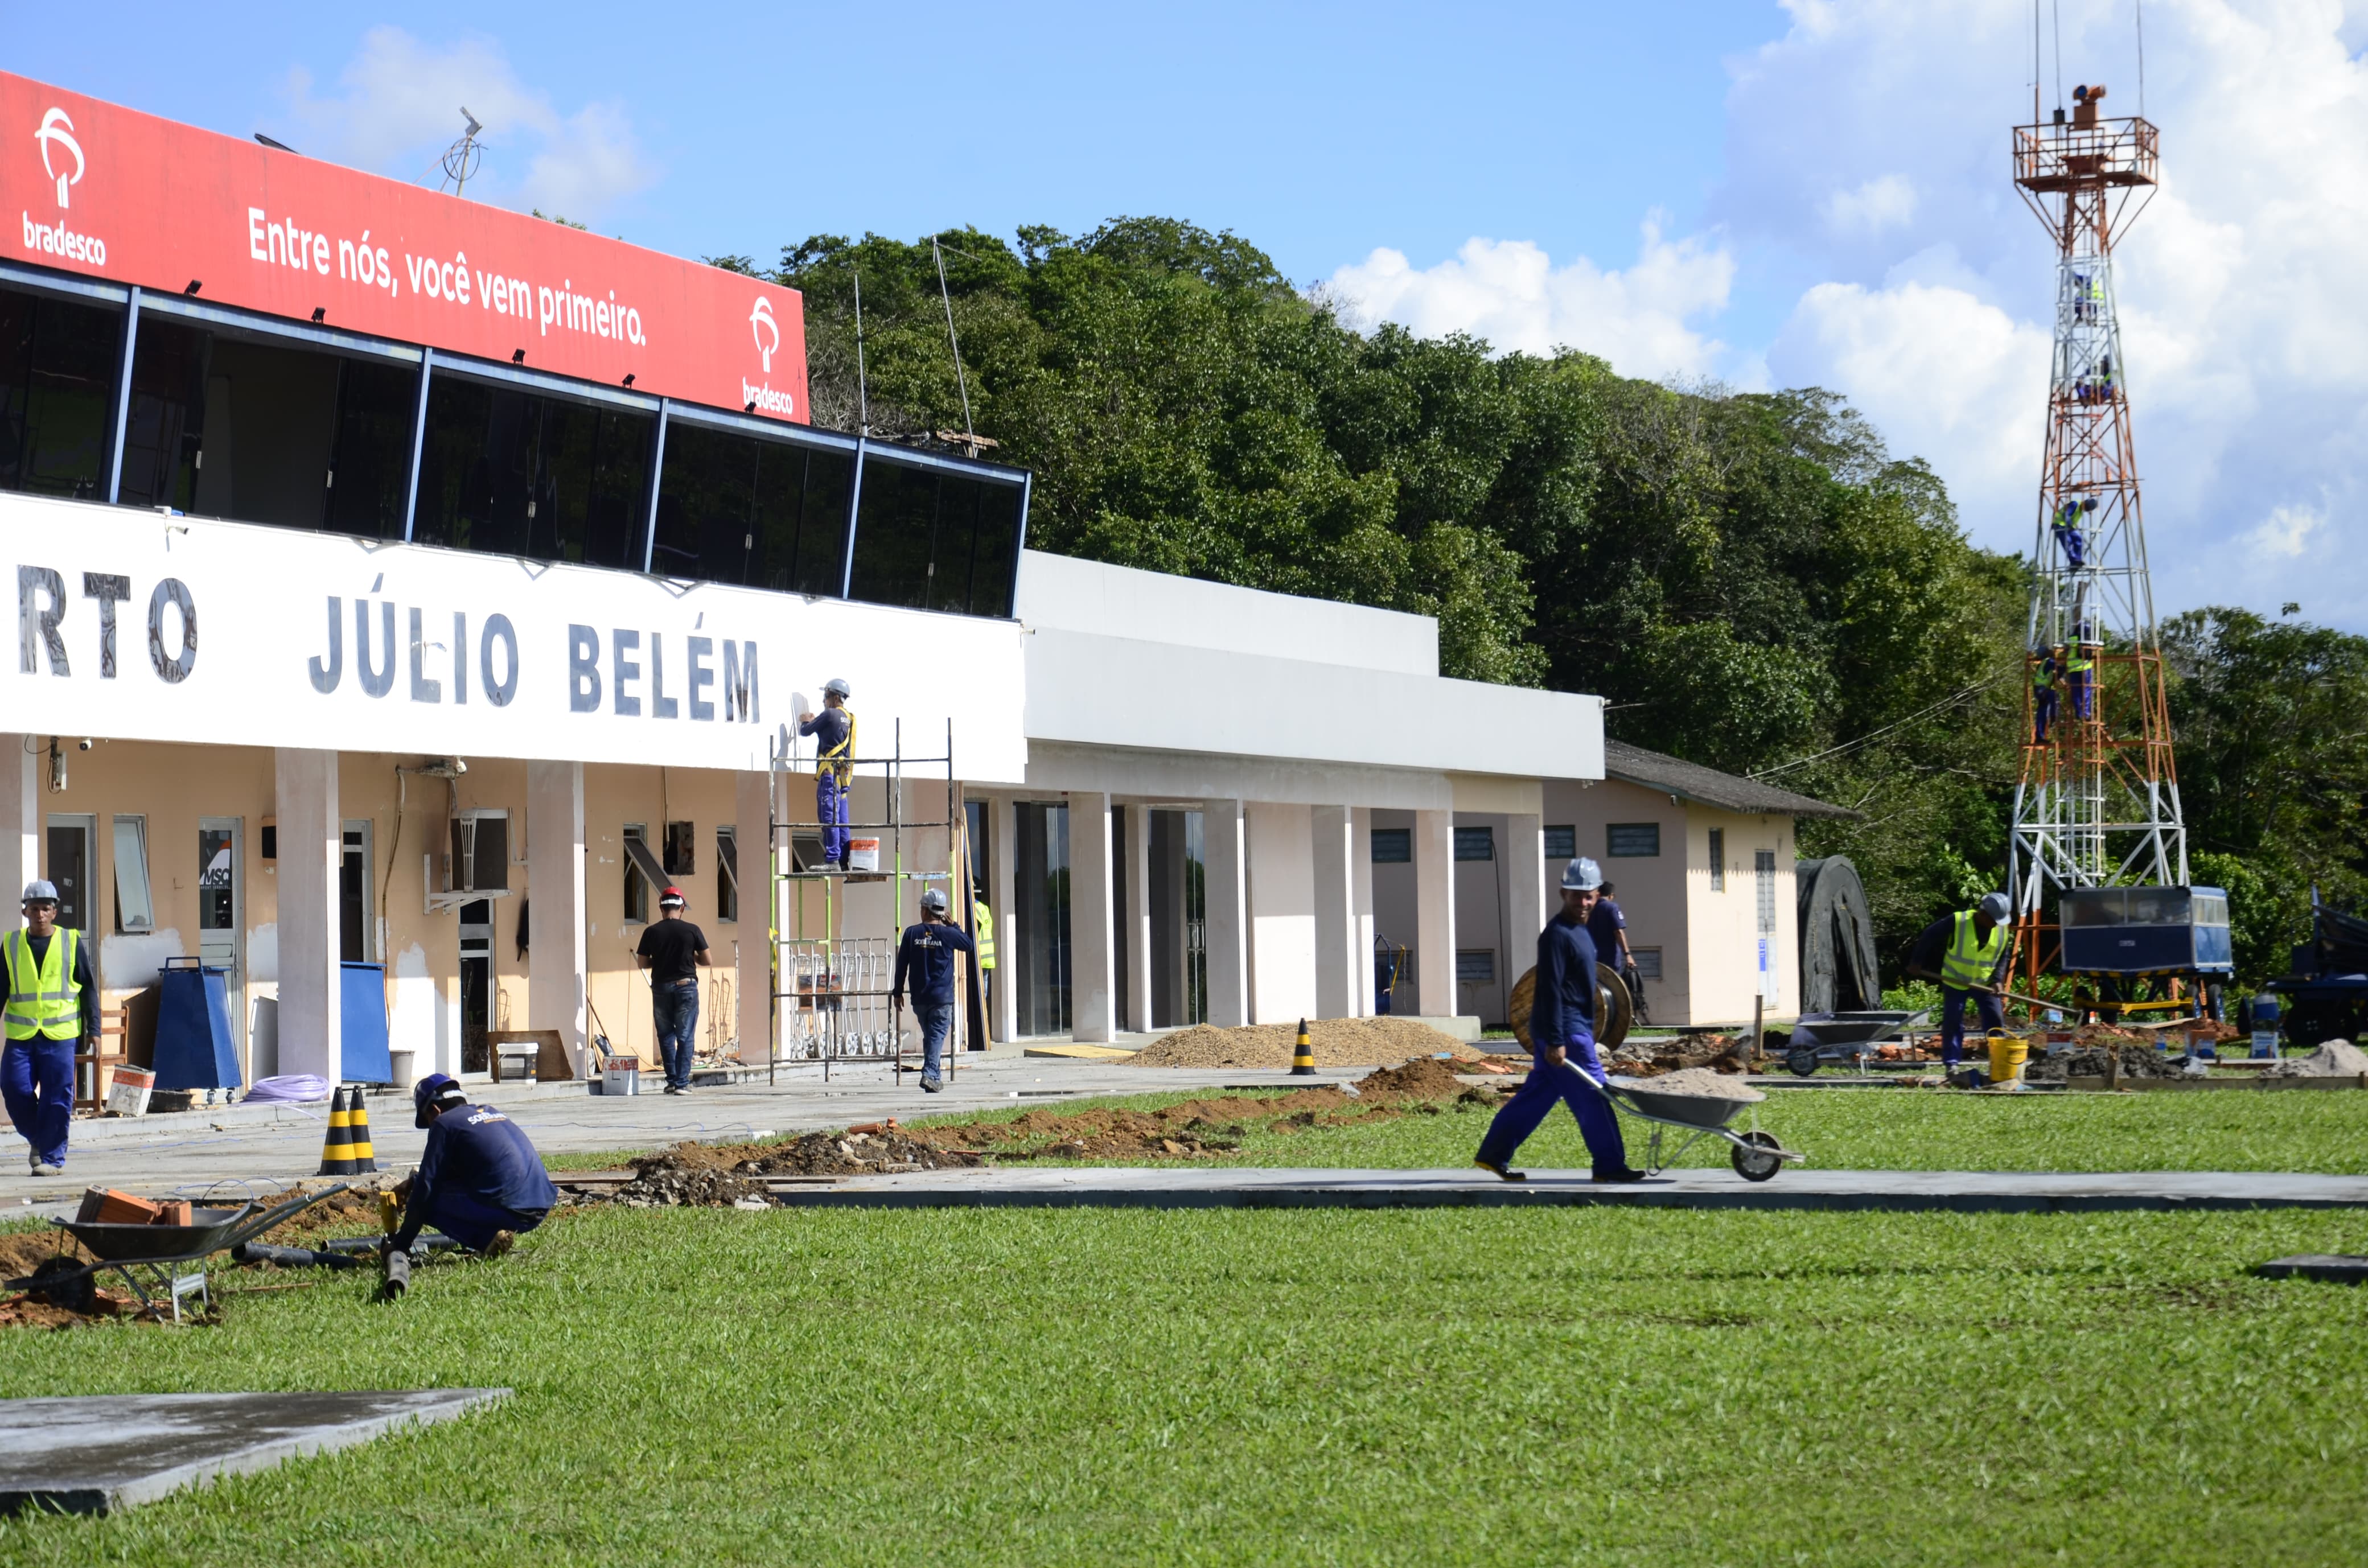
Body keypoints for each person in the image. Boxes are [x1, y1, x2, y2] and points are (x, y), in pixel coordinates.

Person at [1473, 858, 1646, 1183]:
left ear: (1598, 896)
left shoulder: (1580, 931)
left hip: (1570, 1028)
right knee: (1595, 1095)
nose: (1583, 902)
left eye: (1589, 896)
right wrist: (1555, 1040)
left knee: (1537, 1096)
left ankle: (1493, 1154)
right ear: (1563, 893)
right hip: (1566, 1032)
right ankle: (1609, 1166)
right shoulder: (1556, 935)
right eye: (1575, 895)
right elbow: (1549, 988)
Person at [388, 1075, 557, 1258]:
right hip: (541, 1205)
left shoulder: (444, 1123)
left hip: (511, 1210)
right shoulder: (490, 1112)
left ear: (435, 1111)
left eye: (428, 1120)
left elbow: (425, 1190)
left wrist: (399, 1245)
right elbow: (456, 1172)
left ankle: (487, 1239)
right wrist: (413, 1181)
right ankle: (492, 1236)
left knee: (425, 1203)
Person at [3, 881, 96, 1177]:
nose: (40, 914)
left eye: (46, 909)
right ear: (25, 912)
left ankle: (52, 1159)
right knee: (14, 1089)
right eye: (34, 909)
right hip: (21, 1036)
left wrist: (94, 1028)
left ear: (55, 912)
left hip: (61, 1036)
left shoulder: (71, 941)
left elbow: (89, 989)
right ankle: (39, 1139)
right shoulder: (11, 944)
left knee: (57, 1096)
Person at [1904, 891, 2014, 1069]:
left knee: (1995, 1020)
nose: (1995, 925)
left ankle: (1998, 1062)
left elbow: (2003, 954)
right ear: (1983, 914)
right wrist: (1916, 962)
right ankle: (1952, 1064)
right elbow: (1929, 936)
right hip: (1955, 980)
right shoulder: (1958, 921)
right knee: (1953, 1021)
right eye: (1993, 920)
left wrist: (1997, 979)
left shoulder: (2000, 927)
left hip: (1984, 983)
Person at [891, 887, 975, 1092]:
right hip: (942, 998)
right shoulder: (948, 934)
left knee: (931, 1037)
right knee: (937, 1037)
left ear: (926, 911)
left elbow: (902, 964)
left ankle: (934, 1078)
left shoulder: (911, 934)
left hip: (920, 999)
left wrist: (898, 992)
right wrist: (954, 925)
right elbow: (969, 945)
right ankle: (929, 1073)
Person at [635, 887, 710, 1094]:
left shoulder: (651, 932)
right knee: (685, 1035)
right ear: (682, 908)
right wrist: (690, 957)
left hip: (661, 987)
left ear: (661, 908)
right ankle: (682, 1084)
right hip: (686, 986)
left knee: (666, 1034)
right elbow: (707, 960)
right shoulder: (692, 929)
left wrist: (661, 959)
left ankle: (671, 1082)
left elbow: (642, 962)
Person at [799, 678, 857, 868]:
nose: (824, 701)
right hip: (841, 777)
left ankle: (832, 858)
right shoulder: (848, 718)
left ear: (834, 697)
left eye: (826, 697)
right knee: (841, 819)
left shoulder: (829, 714)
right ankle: (843, 860)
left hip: (829, 775)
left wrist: (806, 721)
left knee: (829, 815)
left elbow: (806, 731)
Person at [1587, 879, 1647, 1024]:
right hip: (1608, 959)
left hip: (1589, 959)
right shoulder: (1611, 908)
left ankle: (1595, 1021)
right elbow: (1618, 932)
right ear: (1611, 895)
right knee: (1611, 991)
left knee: (1593, 991)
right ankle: (1611, 1022)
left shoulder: (1587, 908)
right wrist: (1628, 955)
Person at [2031, 648, 2061, 744]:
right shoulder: (2049, 661)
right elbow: (2058, 668)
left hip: (2039, 691)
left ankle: (2039, 737)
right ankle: (2054, 717)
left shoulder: (2042, 664)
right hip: (2042, 690)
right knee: (2054, 696)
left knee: (2042, 712)